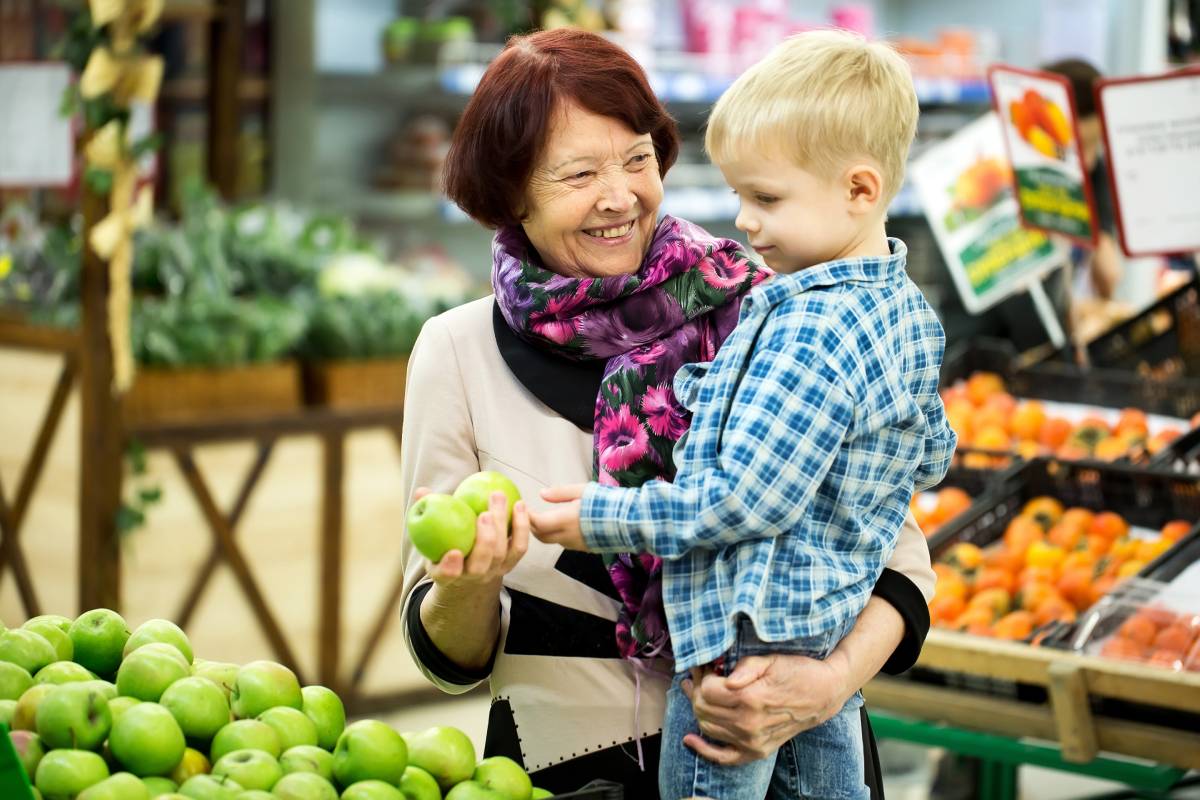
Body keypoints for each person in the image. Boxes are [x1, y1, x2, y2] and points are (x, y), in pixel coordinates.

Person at [397, 28, 938, 798]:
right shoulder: (457, 352)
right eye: (580, 172)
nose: (620, 196)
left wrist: (821, 689)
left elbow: (896, 555)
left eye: (638, 159)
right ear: (512, 193)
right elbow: (442, 653)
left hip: (788, 749)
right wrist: (469, 585)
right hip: (569, 768)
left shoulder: (767, 303)